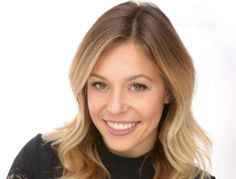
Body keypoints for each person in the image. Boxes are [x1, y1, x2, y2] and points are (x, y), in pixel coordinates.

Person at [7, 1, 215, 179]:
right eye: (100, 84)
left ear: (169, 90)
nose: (115, 107)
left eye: (137, 86)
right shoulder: (40, 161)